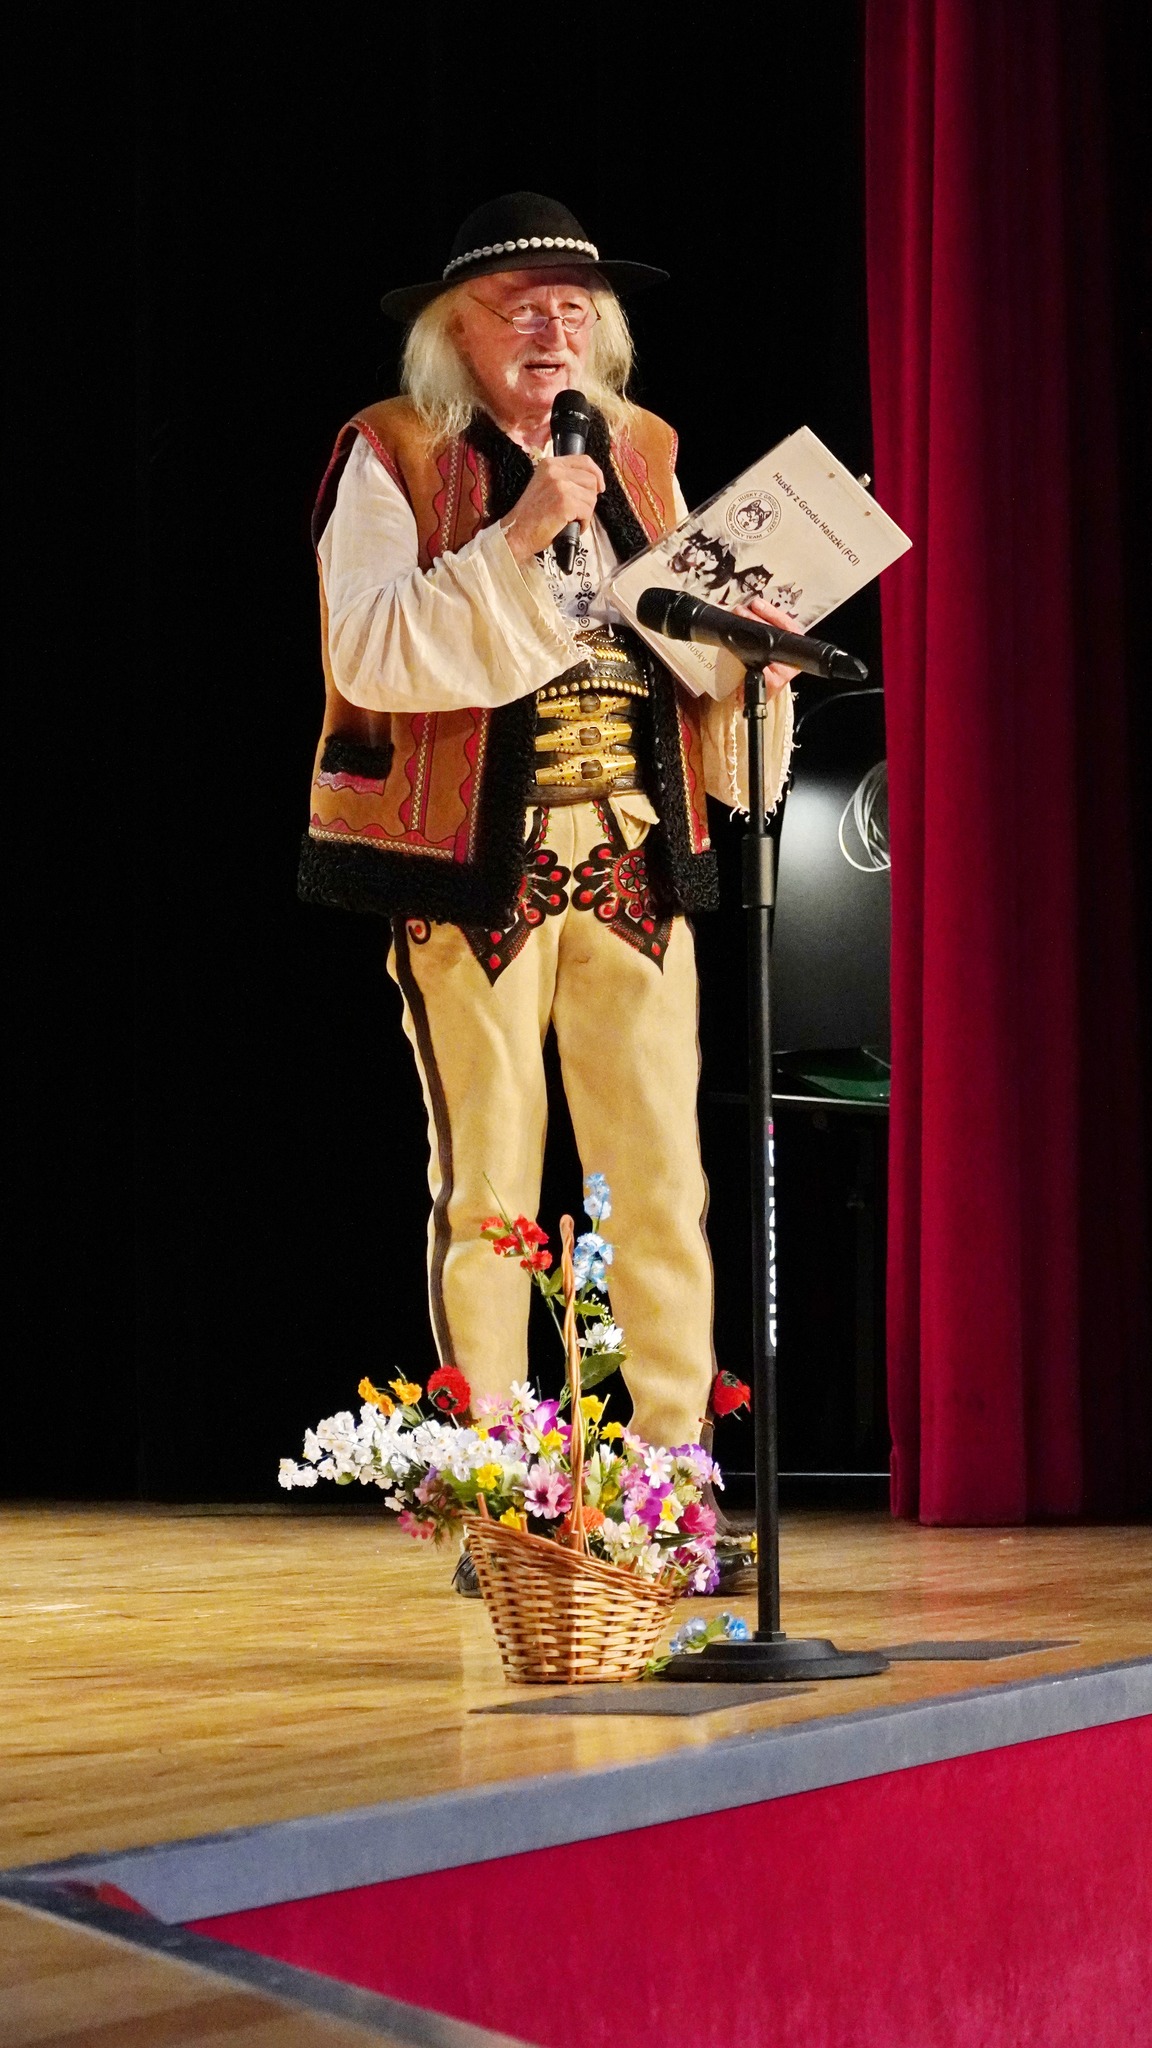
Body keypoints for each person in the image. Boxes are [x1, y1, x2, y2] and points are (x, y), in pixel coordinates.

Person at [301, 191, 795, 1473]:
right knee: (491, 1190)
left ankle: (670, 1481)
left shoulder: (643, 449)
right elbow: (367, 648)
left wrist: (754, 651)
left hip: (635, 852)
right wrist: (519, 535)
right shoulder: (394, 450)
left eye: (575, 309)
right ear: (453, 332)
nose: (553, 332)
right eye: (519, 310)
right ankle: (506, 1483)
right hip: (478, 869)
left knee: (662, 1181)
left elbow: (686, 640)